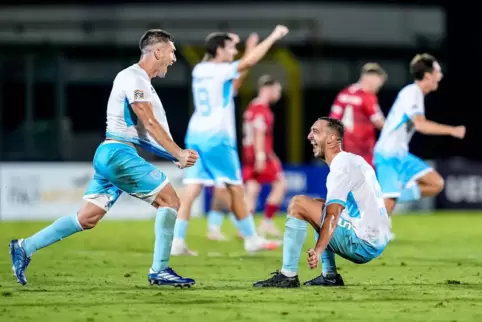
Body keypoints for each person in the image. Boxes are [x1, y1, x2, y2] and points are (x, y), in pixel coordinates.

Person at [9, 29, 199, 287]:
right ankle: (160, 270)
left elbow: (142, 132)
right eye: (172, 52)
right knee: (171, 201)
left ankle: (24, 246)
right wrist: (178, 153)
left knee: (86, 218)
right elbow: (149, 122)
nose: (174, 58)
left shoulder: (139, 81)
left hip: (112, 153)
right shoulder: (134, 78)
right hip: (118, 154)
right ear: (157, 52)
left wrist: (173, 154)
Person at [172, 26, 289, 255]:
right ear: (219, 50)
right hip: (217, 137)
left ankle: (177, 242)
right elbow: (247, 64)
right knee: (235, 188)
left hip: (195, 134)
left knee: (192, 188)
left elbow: (234, 82)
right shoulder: (220, 70)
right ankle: (251, 239)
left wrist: (241, 45)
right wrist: (272, 37)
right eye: (231, 48)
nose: (234, 52)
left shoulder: (200, 70)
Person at [253, 117, 391, 288]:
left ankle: (288, 275)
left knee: (298, 203)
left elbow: (333, 215)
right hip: (377, 238)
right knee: (318, 204)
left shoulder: (341, 168)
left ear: (332, 138)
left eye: (316, 132)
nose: (309, 136)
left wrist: (318, 251)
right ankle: (330, 276)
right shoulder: (352, 160)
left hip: (363, 242)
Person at [374, 54, 465, 215]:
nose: (441, 76)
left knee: (436, 183)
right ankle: (376, 204)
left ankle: (382, 198)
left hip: (400, 155)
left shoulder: (415, 94)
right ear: (428, 75)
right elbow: (420, 125)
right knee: (382, 219)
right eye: (438, 72)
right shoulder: (412, 92)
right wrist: (452, 130)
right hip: (388, 155)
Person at [205, 75, 286, 239]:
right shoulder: (262, 110)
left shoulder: (251, 107)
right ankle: (266, 222)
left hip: (248, 154)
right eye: (277, 90)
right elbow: (259, 134)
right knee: (280, 184)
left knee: (252, 190)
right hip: (259, 154)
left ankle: (244, 228)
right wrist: (262, 156)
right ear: (268, 89)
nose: (279, 94)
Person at [329, 63, 386, 168]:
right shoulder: (367, 96)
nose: (379, 87)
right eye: (379, 83)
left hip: (344, 150)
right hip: (363, 150)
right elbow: (379, 122)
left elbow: (332, 121)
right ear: (371, 79)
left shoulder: (343, 93)